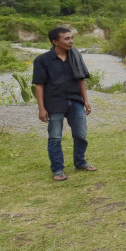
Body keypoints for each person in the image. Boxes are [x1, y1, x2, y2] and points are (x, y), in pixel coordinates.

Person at [32, 27, 94, 181]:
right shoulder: (42, 60)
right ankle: (58, 170)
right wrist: (41, 108)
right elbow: (39, 85)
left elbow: (81, 80)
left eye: (71, 38)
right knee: (55, 137)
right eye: (66, 39)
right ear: (55, 42)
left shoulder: (76, 56)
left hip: (75, 100)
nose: (71, 41)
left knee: (81, 135)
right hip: (54, 103)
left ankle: (80, 162)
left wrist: (85, 100)